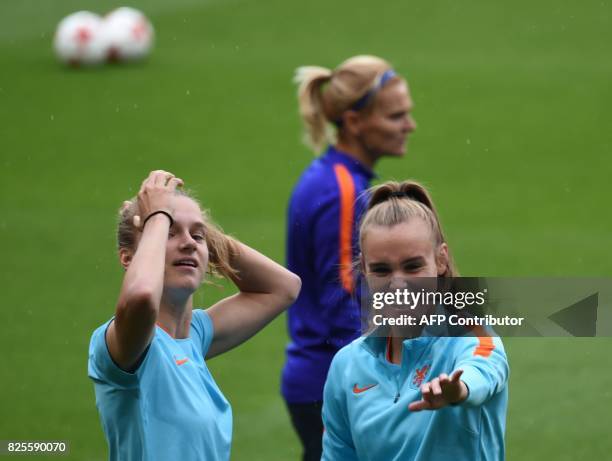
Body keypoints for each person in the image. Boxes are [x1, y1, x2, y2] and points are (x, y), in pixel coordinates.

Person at [88, 170, 301, 461]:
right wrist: (157, 218)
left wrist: (191, 229)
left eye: (197, 236)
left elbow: (284, 288)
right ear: (129, 258)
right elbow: (141, 297)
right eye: (169, 233)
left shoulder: (195, 338)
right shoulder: (123, 344)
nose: (188, 243)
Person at [281, 55, 417, 461]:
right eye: (396, 116)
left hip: (328, 381)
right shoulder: (341, 190)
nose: (409, 125)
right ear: (355, 122)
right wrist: (382, 382)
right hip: (335, 386)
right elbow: (345, 302)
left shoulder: (337, 178)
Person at [321, 181, 509, 461]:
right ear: (365, 271)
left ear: (440, 260)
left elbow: (482, 371)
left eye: (413, 266)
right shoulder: (346, 366)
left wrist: (458, 390)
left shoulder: (473, 336)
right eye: (382, 270)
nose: (398, 285)